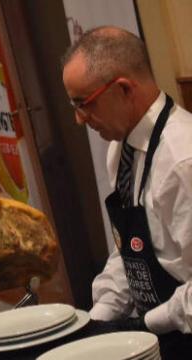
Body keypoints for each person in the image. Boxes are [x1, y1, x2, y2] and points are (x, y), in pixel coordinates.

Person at [62, 26, 192, 337]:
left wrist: (144, 324)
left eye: (84, 103)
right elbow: (131, 251)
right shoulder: (120, 151)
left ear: (123, 89)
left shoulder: (182, 160)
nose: (78, 119)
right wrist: (100, 319)